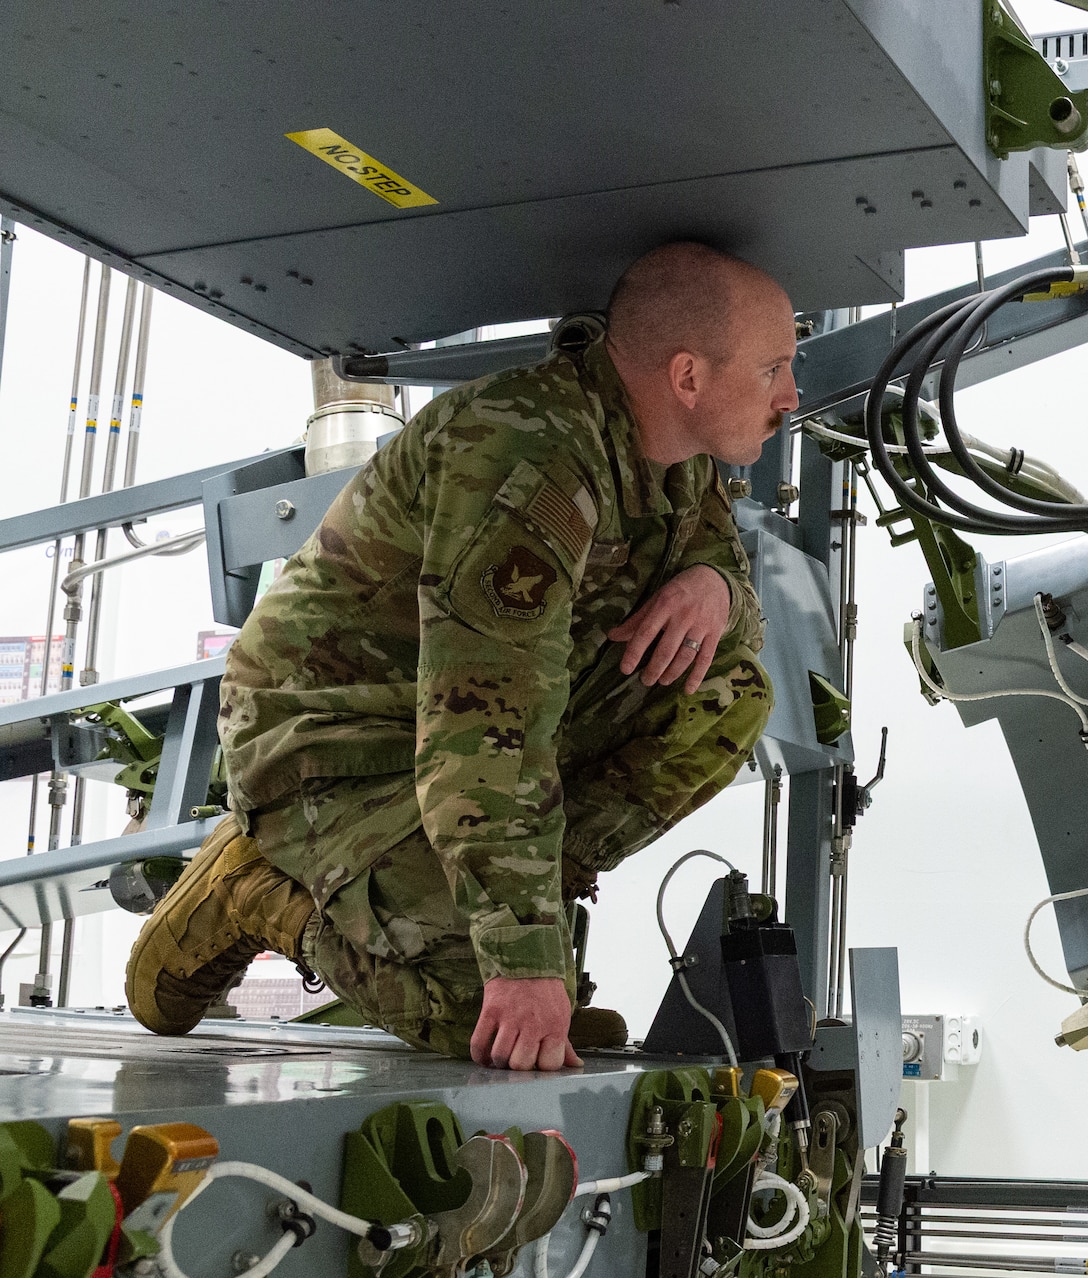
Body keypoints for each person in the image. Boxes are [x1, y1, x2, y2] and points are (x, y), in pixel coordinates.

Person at [126, 242, 797, 1072]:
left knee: (726, 692)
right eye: (773, 370)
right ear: (687, 376)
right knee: (476, 1022)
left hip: (443, 733)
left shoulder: (676, 462)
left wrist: (715, 587)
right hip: (332, 748)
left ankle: (488, 910)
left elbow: (736, 611)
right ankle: (249, 888)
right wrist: (521, 961)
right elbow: (483, 722)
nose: (790, 398)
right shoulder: (526, 455)